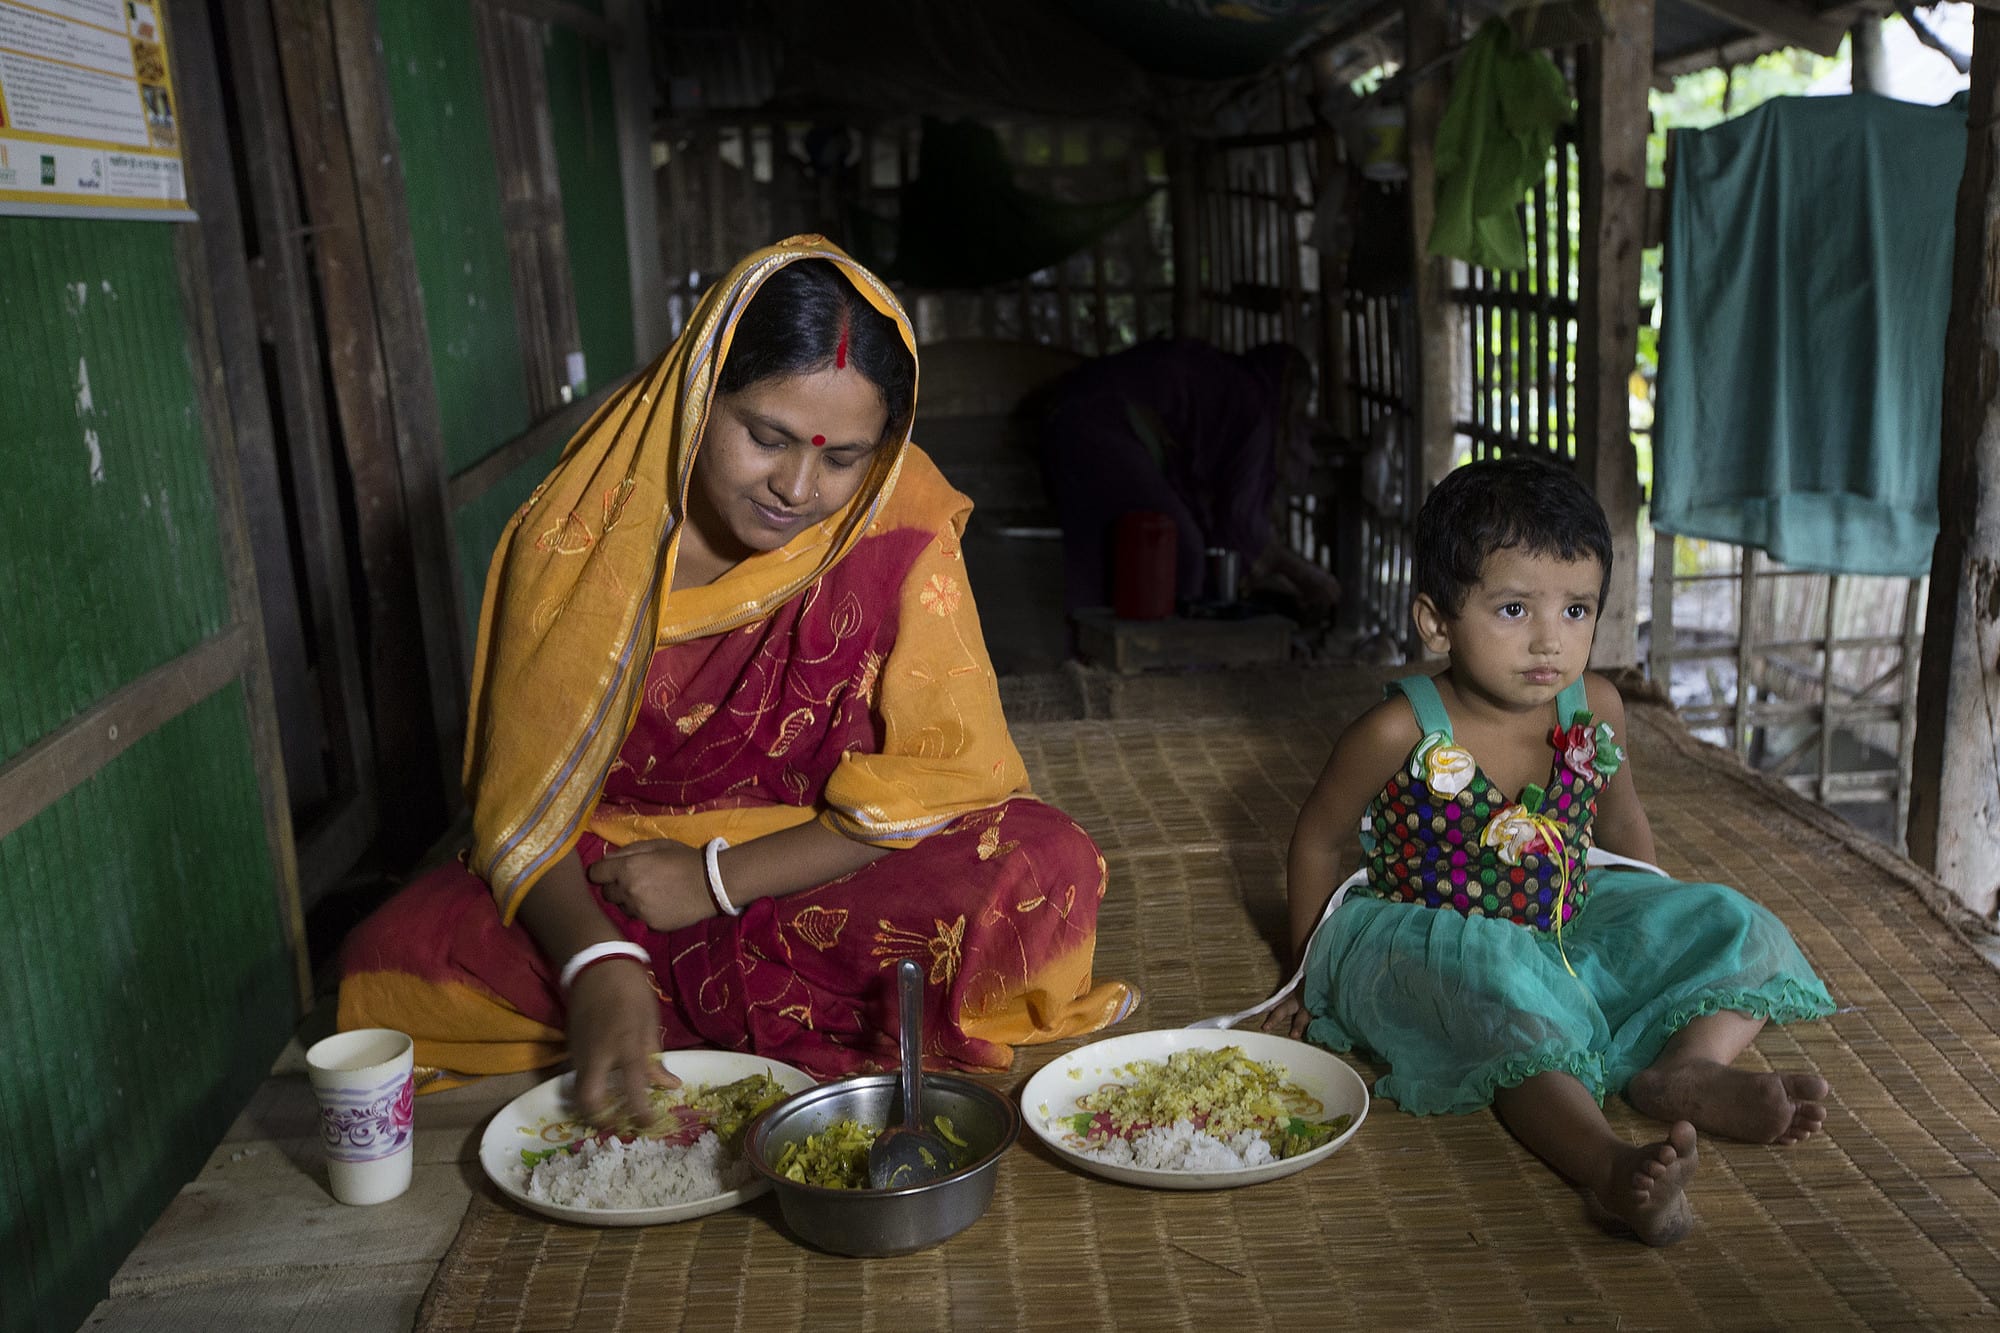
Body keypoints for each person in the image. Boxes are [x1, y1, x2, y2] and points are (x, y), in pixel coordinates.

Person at [339, 236, 1135, 1126]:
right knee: (391, 960)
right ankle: (648, 992)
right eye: (766, 436)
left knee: (1043, 870)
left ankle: (664, 998)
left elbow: (942, 778)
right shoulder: (583, 531)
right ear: (699, 390)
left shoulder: (897, 512)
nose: (798, 486)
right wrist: (596, 959)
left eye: (844, 457)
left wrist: (718, 881)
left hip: (816, 857)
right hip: (616, 869)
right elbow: (522, 808)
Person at [1262, 456, 1834, 1246]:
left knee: (1733, 920)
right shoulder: (1398, 730)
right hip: (1432, 940)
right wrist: (1306, 972)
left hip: (1565, 915)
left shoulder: (1594, 707)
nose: (1548, 639)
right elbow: (1318, 839)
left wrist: (1655, 941)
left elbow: (1622, 823)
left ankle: (1688, 1066)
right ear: (1436, 621)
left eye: (1575, 610)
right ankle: (1606, 1165)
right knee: (1508, 1005)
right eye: (1512, 608)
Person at [1035, 338, 1341, 619]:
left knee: (1095, 560)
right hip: (1105, 425)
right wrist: (1304, 574)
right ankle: (1172, 665)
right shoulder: (1254, 408)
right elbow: (1240, 522)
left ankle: (1084, 662)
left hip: (1066, 417)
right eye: (1298, 408)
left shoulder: (1229, 388)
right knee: (1182, 551)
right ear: (1285, 396)